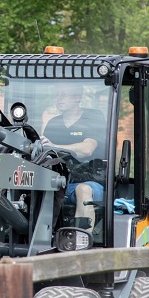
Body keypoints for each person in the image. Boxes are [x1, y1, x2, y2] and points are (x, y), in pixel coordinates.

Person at [40, 85, 106, 230]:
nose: (59, 98)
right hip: (60, 183)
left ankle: (81, 242)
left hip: (90, 180)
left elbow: (87, 149)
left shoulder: (93, 117)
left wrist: (54, 146)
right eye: (57, 94)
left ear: (78, 97)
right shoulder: (54, 123)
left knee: (83, 190)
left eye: (64, 94)